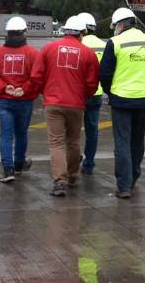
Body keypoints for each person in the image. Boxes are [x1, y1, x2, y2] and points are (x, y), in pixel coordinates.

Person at [29, 15, 100, 197]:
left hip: (53, 103)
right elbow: (92, 84)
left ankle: (59, 182)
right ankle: (73, 175)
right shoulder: (88, 53)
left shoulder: (48, 49)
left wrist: (46, 93)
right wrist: (83, 97)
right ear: (81, 33)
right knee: (73, 141)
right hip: (76, 104)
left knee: (56, 142)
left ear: (64, 31)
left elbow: (36, 76)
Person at [98, 7, 145, 199]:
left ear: (121, 24)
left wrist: (110, 92)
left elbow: (105, 74)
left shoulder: (115, 43)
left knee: (122, 142)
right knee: (137, 140)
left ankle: (124, 186)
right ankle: (133, 177)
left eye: (115, 25)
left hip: (121, 100)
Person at [0, 16, 39, 183]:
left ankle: (8, 170)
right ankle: (19, 164)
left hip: (4, 101)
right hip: (25, 101)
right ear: (24, 32)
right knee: (21, 133)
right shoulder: (33, 54)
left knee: (6, 135)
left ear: (7, 32)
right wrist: (24, 89)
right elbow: (37, 78)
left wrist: (3, 87)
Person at [77, 12, 105, 175]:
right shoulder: (104, 44)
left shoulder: (78, 45)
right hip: (96, 93)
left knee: (73, 130)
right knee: (92, 130)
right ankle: (89, 163)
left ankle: (73, 158)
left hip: (78, 94)